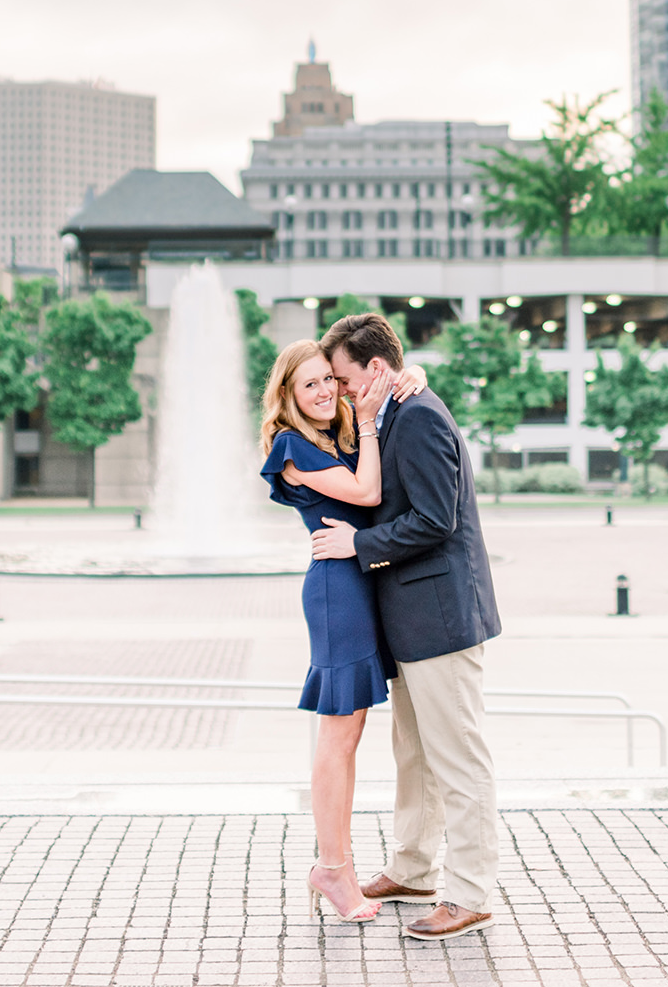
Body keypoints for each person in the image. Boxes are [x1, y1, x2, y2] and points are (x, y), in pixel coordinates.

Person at [310, 312, 502, 941]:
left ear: (376, 368)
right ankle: (414, 869)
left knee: (458, 757)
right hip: (414, 618)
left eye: (341, 378)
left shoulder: (417, 415)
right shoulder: (393, 409)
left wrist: (358, 545)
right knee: (414, 754)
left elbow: (436, 520)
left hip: (440, 615)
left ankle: (470, 893)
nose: (337, 391)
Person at [258, 339, 427, 925]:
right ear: (288, 396)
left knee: (350, 738)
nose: (326, 391)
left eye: (329, 379)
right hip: (337, 593)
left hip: (359, 586)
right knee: (339, 739)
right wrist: (372, 426)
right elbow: (368, 494)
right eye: (310, 385)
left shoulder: (336, 435)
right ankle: (333, 868)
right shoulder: (292, 446)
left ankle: (336, 866)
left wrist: (412, 375)